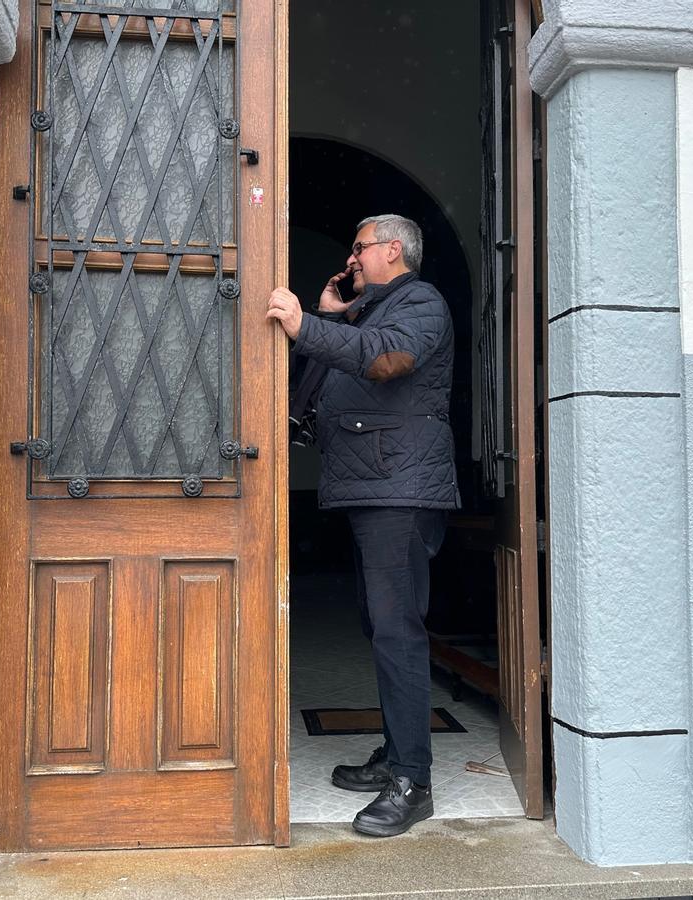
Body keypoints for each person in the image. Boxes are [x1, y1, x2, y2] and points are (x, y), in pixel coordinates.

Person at [266, 214, 459, 837]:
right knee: (380, 627)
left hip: (400, 492)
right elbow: (319, 386)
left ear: (392, 250)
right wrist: (334, 318)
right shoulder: (373, 312)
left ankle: (413, 780)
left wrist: (309, 324)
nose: (351, 259)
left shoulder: (421, 303)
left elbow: (384, 363)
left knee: (397, 633)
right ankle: (397, 753)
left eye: (358, 248)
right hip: (372, 487)